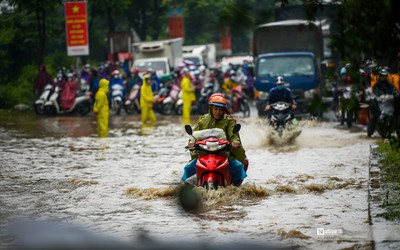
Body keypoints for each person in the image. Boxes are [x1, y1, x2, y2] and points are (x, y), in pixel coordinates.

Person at [181, 95, 247, 186]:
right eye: (215, 109)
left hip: (224, 152)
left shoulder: (229, 121)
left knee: (238, 167)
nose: (218, 112)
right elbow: (194, 135)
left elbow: (233, 135)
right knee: (188, 168)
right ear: (211, 108)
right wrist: (191, 143)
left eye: (220, 110)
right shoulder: (202, 120)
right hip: (204, 152)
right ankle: (187, 187)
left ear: (224, 110)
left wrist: (235, 142)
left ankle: (235, 186)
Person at [367, 68, 399, 137]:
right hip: (380, 104)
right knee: (374, 116)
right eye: (382, 76)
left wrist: (396, 95)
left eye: (385, 76)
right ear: (380, 76)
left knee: (397, 113)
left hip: (390, 104)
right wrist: (381, 97)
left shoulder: (390, 85)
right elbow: (376, 93)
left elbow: (395, 91)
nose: (384, 77)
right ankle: (370, 132)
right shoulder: (377, 85)